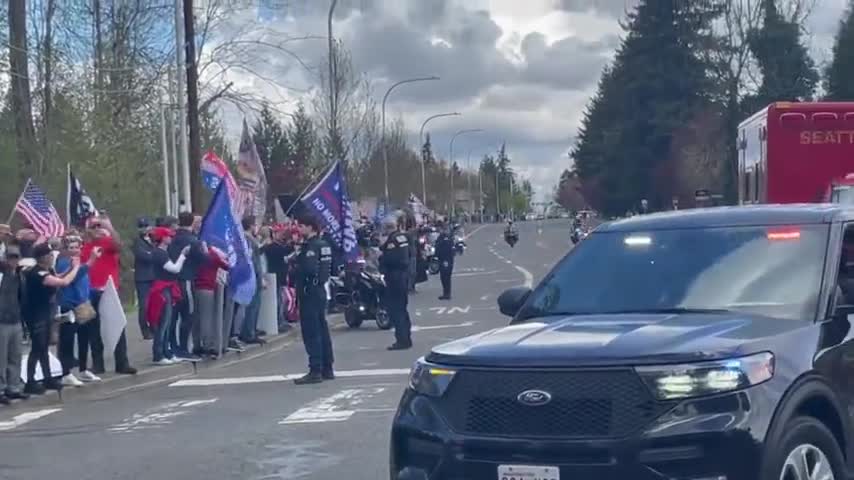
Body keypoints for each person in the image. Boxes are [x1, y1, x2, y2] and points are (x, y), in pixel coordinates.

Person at [81, 216, 137, 375]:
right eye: (93, 226)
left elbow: (118, 246)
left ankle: (122, 363)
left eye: (99, 226)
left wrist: (109, 227)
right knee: (94, 329)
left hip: (109, 290)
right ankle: (98, 364)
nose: (97, 229)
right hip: (90, 291)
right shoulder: (84, 246)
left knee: (117, 324)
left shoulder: (107, 242)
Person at [23, 243, 80, 394]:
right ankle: (30, 380)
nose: (51, 258)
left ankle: (48, 377)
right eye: (49, 255)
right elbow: (63, 282)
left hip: (45, 312)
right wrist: (75, 269)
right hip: (36, 314)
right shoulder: (37, 273)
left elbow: (58, 277)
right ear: (43, 257)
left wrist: (69, 269)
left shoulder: (45, 271)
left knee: (44, 347)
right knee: (37, 347)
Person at [292, 216, 334, 385]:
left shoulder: (312, 247)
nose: (299, 230)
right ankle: (327, 367)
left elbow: (308, 269)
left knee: (312, 331)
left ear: (310, 227)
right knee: (322, 329)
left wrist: (296, 267)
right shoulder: (324, 245)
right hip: (320, 291)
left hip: (309, 291)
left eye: (301, 226)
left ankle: (315, 369)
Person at [56, 235, 102, 386]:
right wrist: (91, 261)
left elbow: (84, 283)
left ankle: (83, 369)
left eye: (77, 247)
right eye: (71, 248)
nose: (74, 250)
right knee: (67, 340)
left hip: (83, 304)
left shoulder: (79, 263)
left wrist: (93, 293)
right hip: (69, 305)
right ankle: (66, 372)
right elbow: (74, 278)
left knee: (85, 338)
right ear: (65, 249)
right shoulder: (63, 263)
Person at [145, 227, 191, 365]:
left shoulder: (161, 252)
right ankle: (159, 354)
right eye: (168, 236)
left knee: (167, 321)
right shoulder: (160, 254)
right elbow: (175, 269)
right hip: (162, 289)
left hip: (166, 288)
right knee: (163, 323)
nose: (171, 238)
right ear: (162, 238)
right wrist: (183, 255)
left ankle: (166, 352)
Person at [167, 212, 207, 359]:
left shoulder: (172, 239)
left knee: (173, 316)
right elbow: (204, 260)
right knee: (188, 315)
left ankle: (173, 345)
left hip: (172, 281)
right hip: (187, 280)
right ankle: (183, 348)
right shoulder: (193, 241)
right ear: (191, 223)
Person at [379, 213, 412, 350]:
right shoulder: (402, 237)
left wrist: (382, 257)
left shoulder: (393, 240)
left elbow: (392, 259)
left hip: (395, 277)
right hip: (403, 277)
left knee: (396, 310)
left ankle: (402, 339)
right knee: (402, 309)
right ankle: (406, 337)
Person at [0, 242, 28, 403]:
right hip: (2, 320)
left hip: (16, 319)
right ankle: (1, 389)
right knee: (1, 357)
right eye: (10, 257)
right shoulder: (2, 274)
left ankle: (14, 387)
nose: (13, 260)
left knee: (15, 355)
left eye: (16, 257)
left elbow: (22, 297)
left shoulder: (19, 275)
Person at [132, 217, 156, 340]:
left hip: (154, 276)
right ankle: (144, 330)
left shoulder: (153, 239)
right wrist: (152, 255)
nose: (144, 228)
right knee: (144, 305)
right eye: (142, 226)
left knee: (154, 304)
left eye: (146, 226)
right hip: (143, 278)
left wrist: (152, 254)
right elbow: (143, 256)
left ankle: (154, 327)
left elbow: (157, 253)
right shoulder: (137, 241)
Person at [434, 221, 456, 301]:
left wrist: (437, 256)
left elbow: (445, 250)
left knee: (445, 277)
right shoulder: (443, 236)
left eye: (438, 228)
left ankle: (447, 294)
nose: (437, 230)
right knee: (444, 277)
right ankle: (446, 293)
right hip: (444, 259)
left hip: (445, 260)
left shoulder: (445, 237)